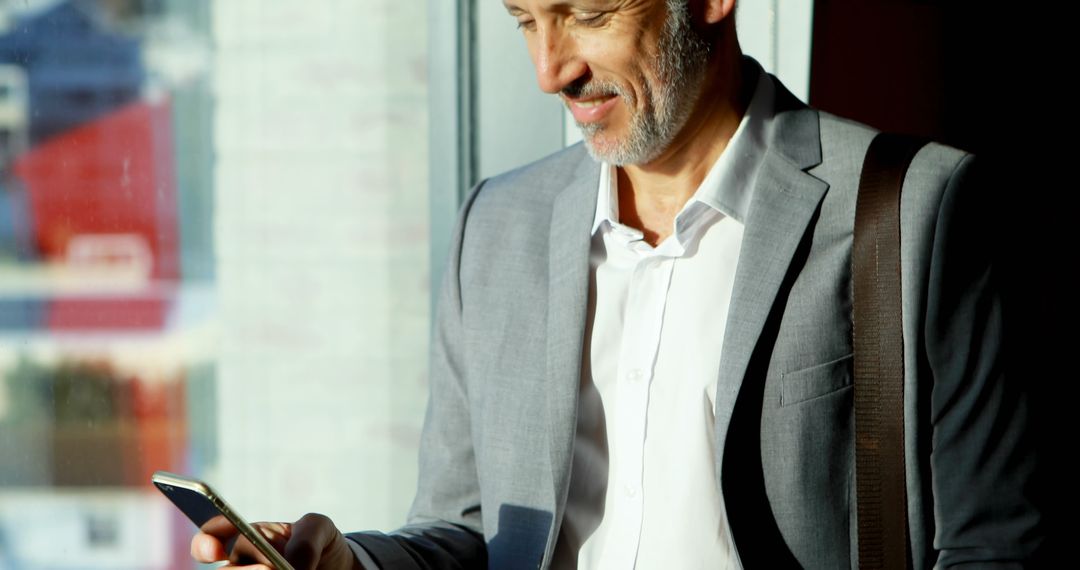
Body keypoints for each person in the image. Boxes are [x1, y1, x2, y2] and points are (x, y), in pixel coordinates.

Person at [192, 0, 1043, 567]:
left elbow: (993, 548)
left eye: (588, 13)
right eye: (527, 20)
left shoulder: (915, 208)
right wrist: (350, 563)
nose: (549, 68)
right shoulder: (496, 226)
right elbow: (469, 530)